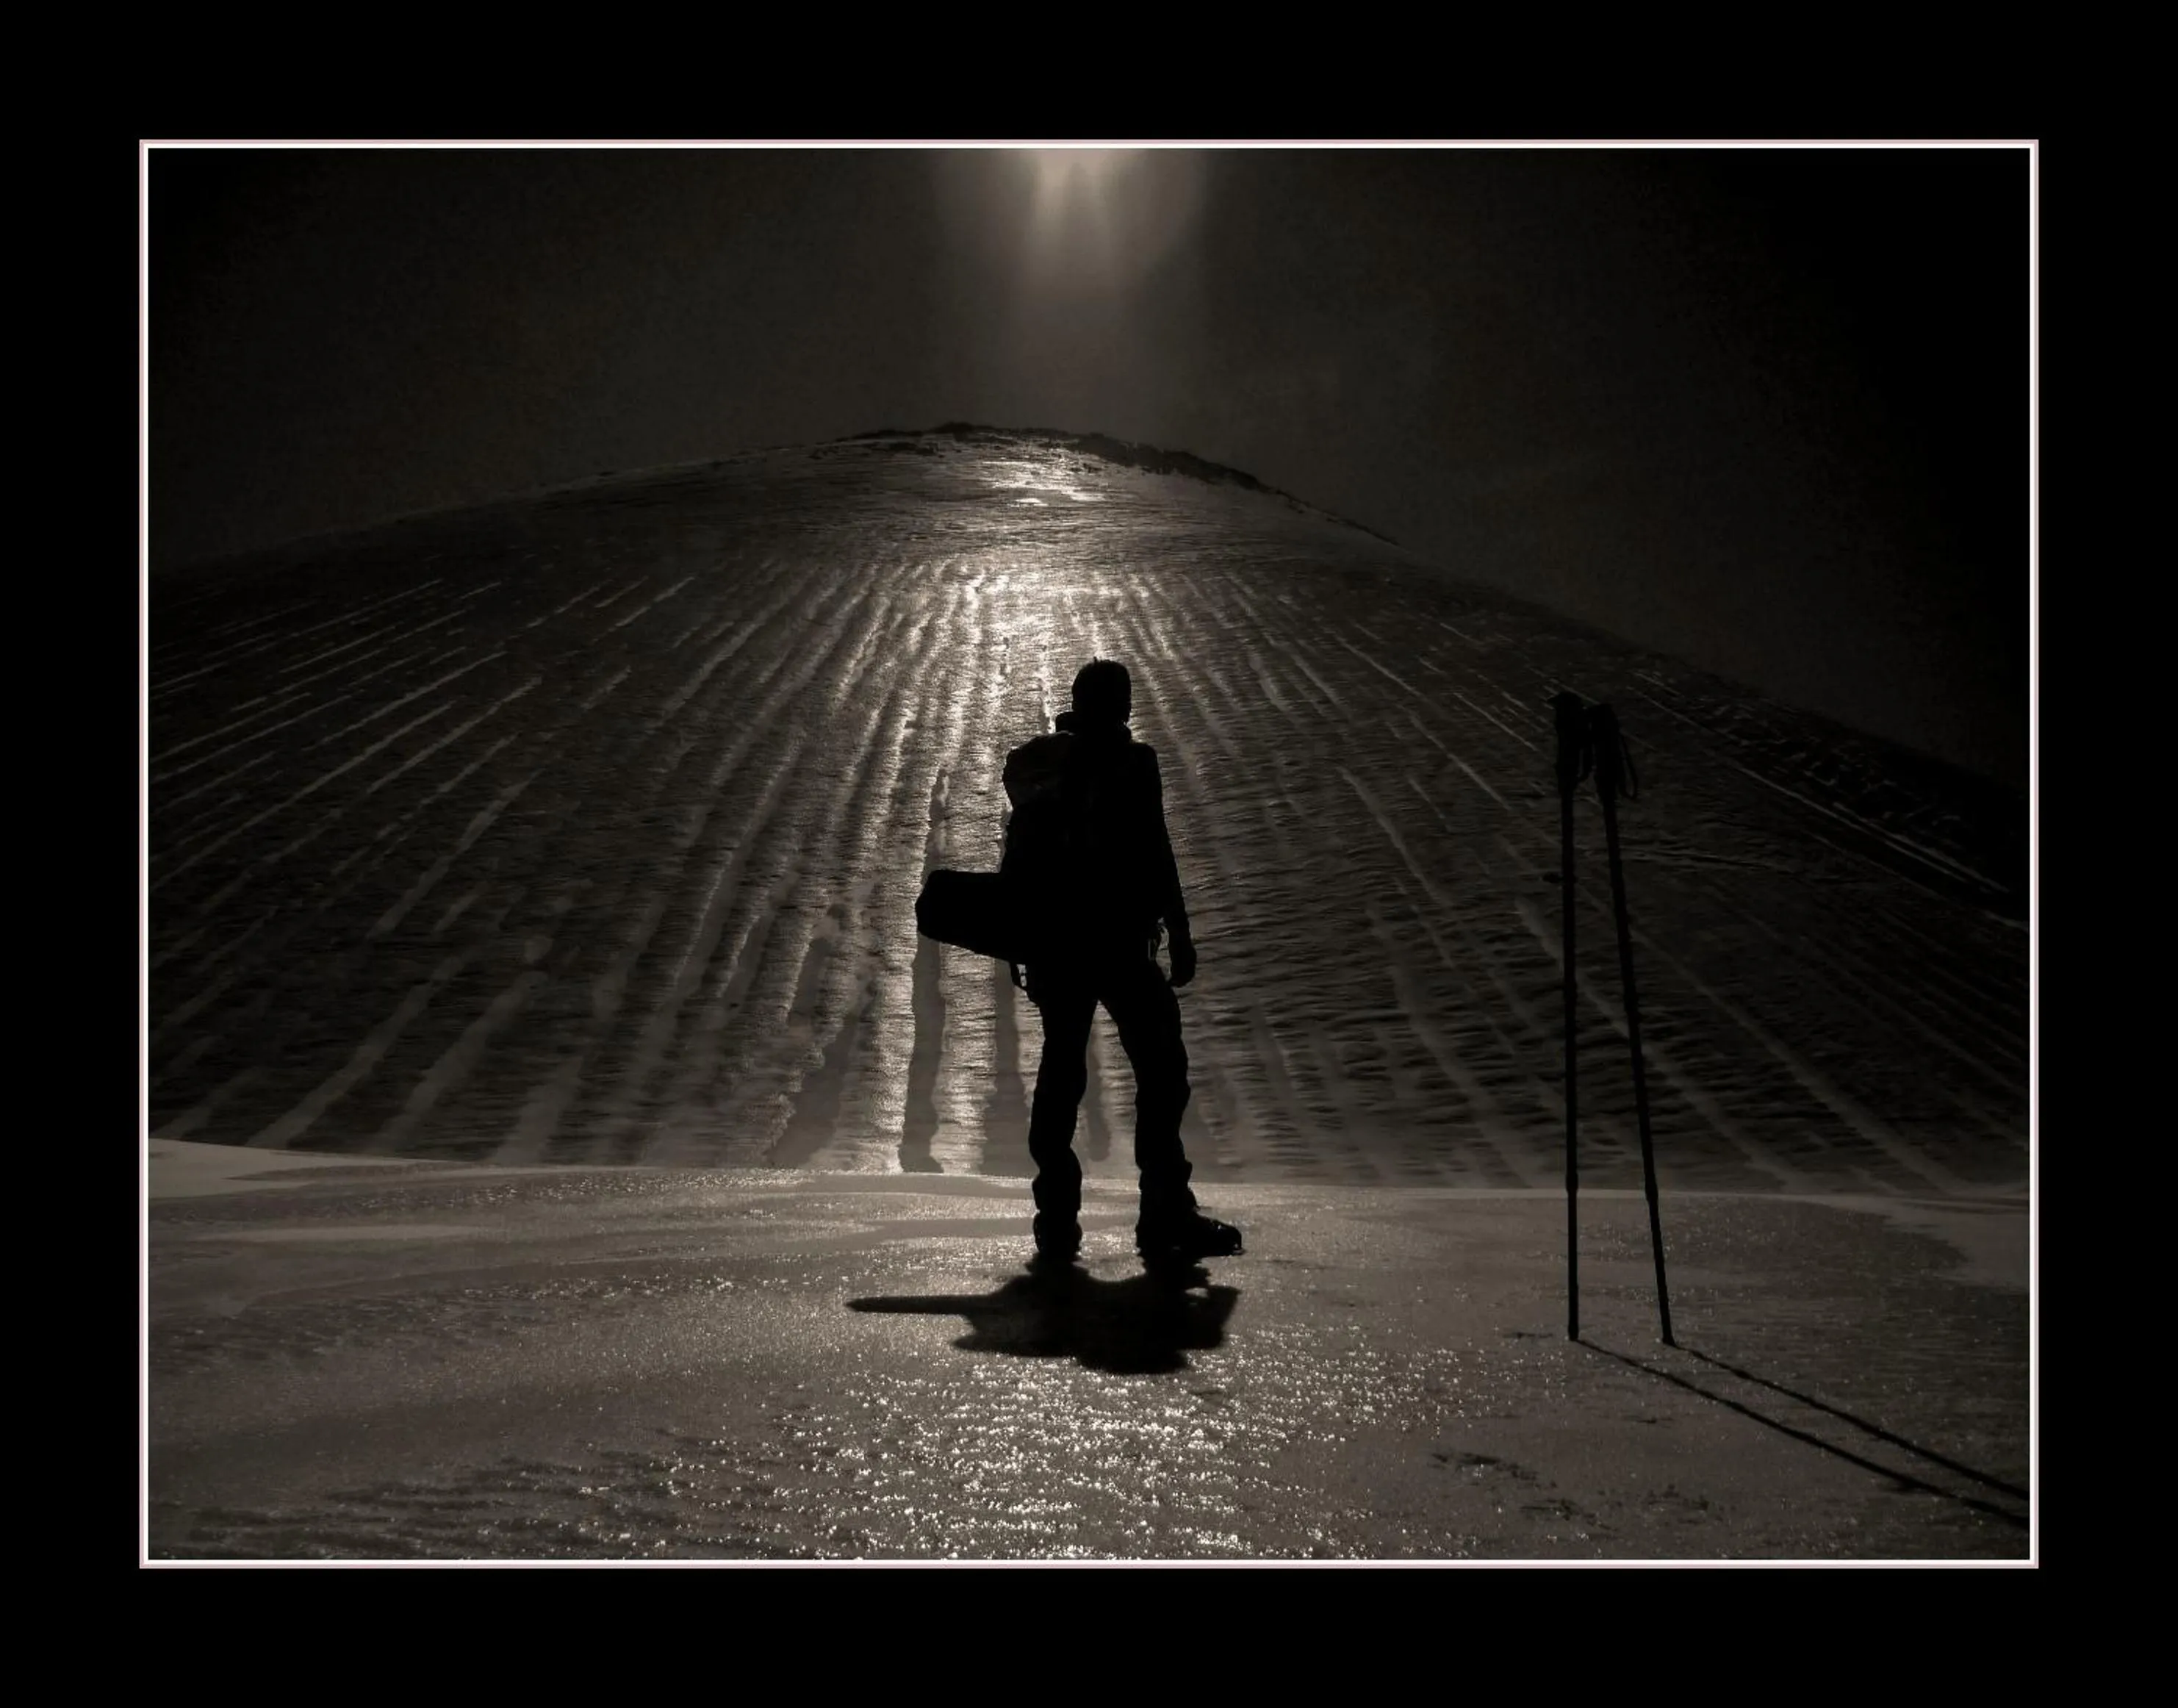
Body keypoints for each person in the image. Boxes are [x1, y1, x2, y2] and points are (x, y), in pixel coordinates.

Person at [1002, 658, 1243, 1266]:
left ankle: (1057, 1222)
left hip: (1059, 947)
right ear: (1119, 706)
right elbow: (1156, 850)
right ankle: (1163, 1214)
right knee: (1161, 1073)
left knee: (1064, 1077)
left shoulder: (1043, 767)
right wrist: (1181, 930)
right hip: (1118, 945)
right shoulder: (1133, 764)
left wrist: (1017, 940)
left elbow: (1018, 854)